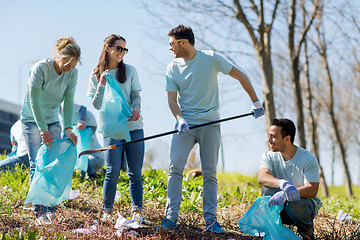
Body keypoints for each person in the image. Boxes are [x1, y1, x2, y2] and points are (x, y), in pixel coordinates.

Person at [160, 25, 265, 233]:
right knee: (175, 168)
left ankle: (211, 221)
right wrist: (180, 119)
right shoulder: (172, 68)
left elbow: (240, 75)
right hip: (185, 127)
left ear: (184, 42)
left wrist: (255, 102)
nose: (170, 48)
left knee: (209, 173)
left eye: (172, 44)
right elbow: (172, 100)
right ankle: (170, 217)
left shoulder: (211, 58)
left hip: (210, 124)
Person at [20, 37, 80, 225]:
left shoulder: (72, 73)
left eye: (73, 65)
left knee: (54, 163)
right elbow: (34, 101)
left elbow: (68, 102)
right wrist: (42, 128)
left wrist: (69, 128)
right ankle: (39, 213)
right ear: (58, 56)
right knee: (37, 162)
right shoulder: (40, 69)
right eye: (66, 64)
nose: (69, 68)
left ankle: (51, 210)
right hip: (32, 119)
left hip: (54, 119)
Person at [87, 34, 145, 222]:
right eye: (118, 48)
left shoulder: (130, 71)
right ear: (107, 48)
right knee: (112, 171)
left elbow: (136, 95)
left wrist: (136, 109)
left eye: (124, 49)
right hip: (112, 130)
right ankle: (107, 211)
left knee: (135, 172)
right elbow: (96, 105)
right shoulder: (95, 75)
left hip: (134, 127)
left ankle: (137, 211)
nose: (122, 53)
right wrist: (101, 85)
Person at [257, 118, 322, 240]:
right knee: (267, 192)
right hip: (279, 205)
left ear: (287, 138)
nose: (269, 140)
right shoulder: (268, 156)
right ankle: (272, 233)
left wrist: (287, 194)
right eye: (268, 136)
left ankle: (307, 234)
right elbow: (262, 177)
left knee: (295, 203)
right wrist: (282, 183)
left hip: (302, 206)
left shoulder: (307, 158)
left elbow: (312, 189)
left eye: (273, 137)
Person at [59, 102, 105, 179]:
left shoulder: (66, 104)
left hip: (88, 123)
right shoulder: (61, 116)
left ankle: (91, 174)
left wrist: (82, 121)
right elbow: (65, 131)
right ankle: (87, 174)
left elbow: (83, 108)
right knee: (79, 151)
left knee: (82, 151)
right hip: (80, 128)